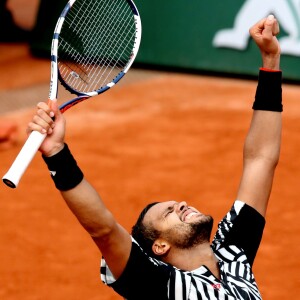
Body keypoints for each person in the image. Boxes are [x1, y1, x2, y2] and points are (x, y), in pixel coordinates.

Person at [27, 15, 282, 300]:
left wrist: (270, 64)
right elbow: (103, 229)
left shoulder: (234, 256)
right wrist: (56, 154)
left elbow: (261, 158)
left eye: (174, 207)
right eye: (170, 212)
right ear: (160, 247)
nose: (182, 204)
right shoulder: (161, 286)